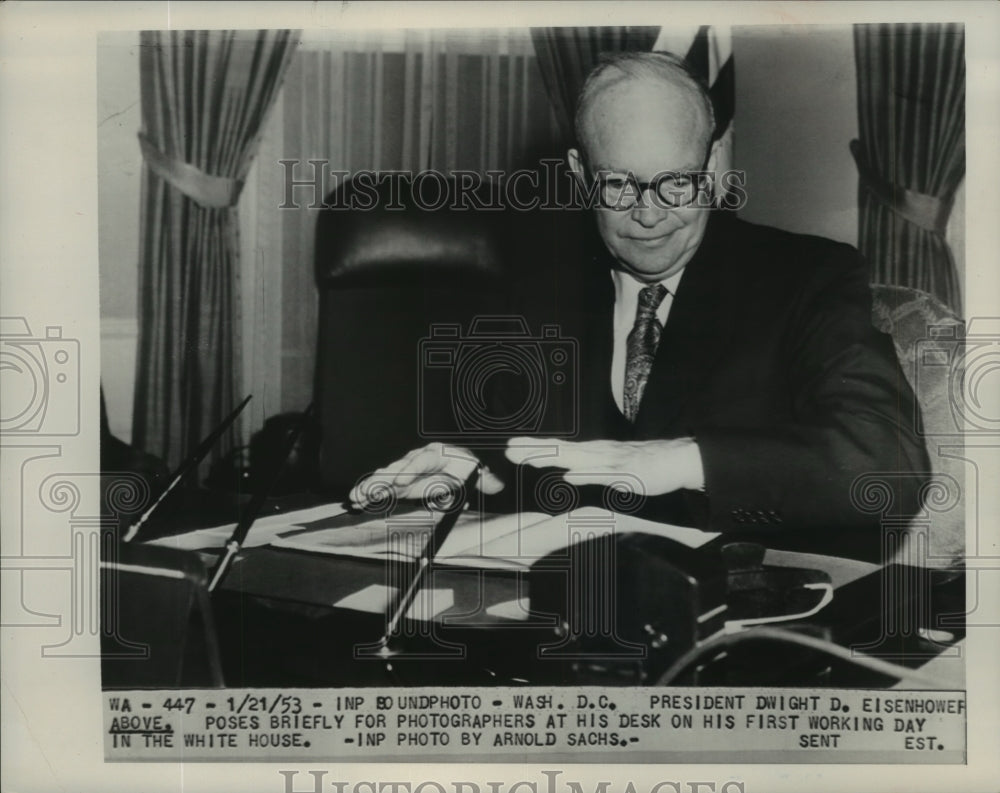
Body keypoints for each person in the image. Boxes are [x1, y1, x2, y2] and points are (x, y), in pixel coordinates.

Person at [348, 51, 929, 555]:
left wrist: (683, 461)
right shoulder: (532, 295)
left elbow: (889, 464)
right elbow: (518, 456)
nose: (649, 215)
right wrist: (470, 472)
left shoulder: (803, 278)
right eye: (618, 185)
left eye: (676, 182)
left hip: (741, 630)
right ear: (580, 175)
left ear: (714, 164)